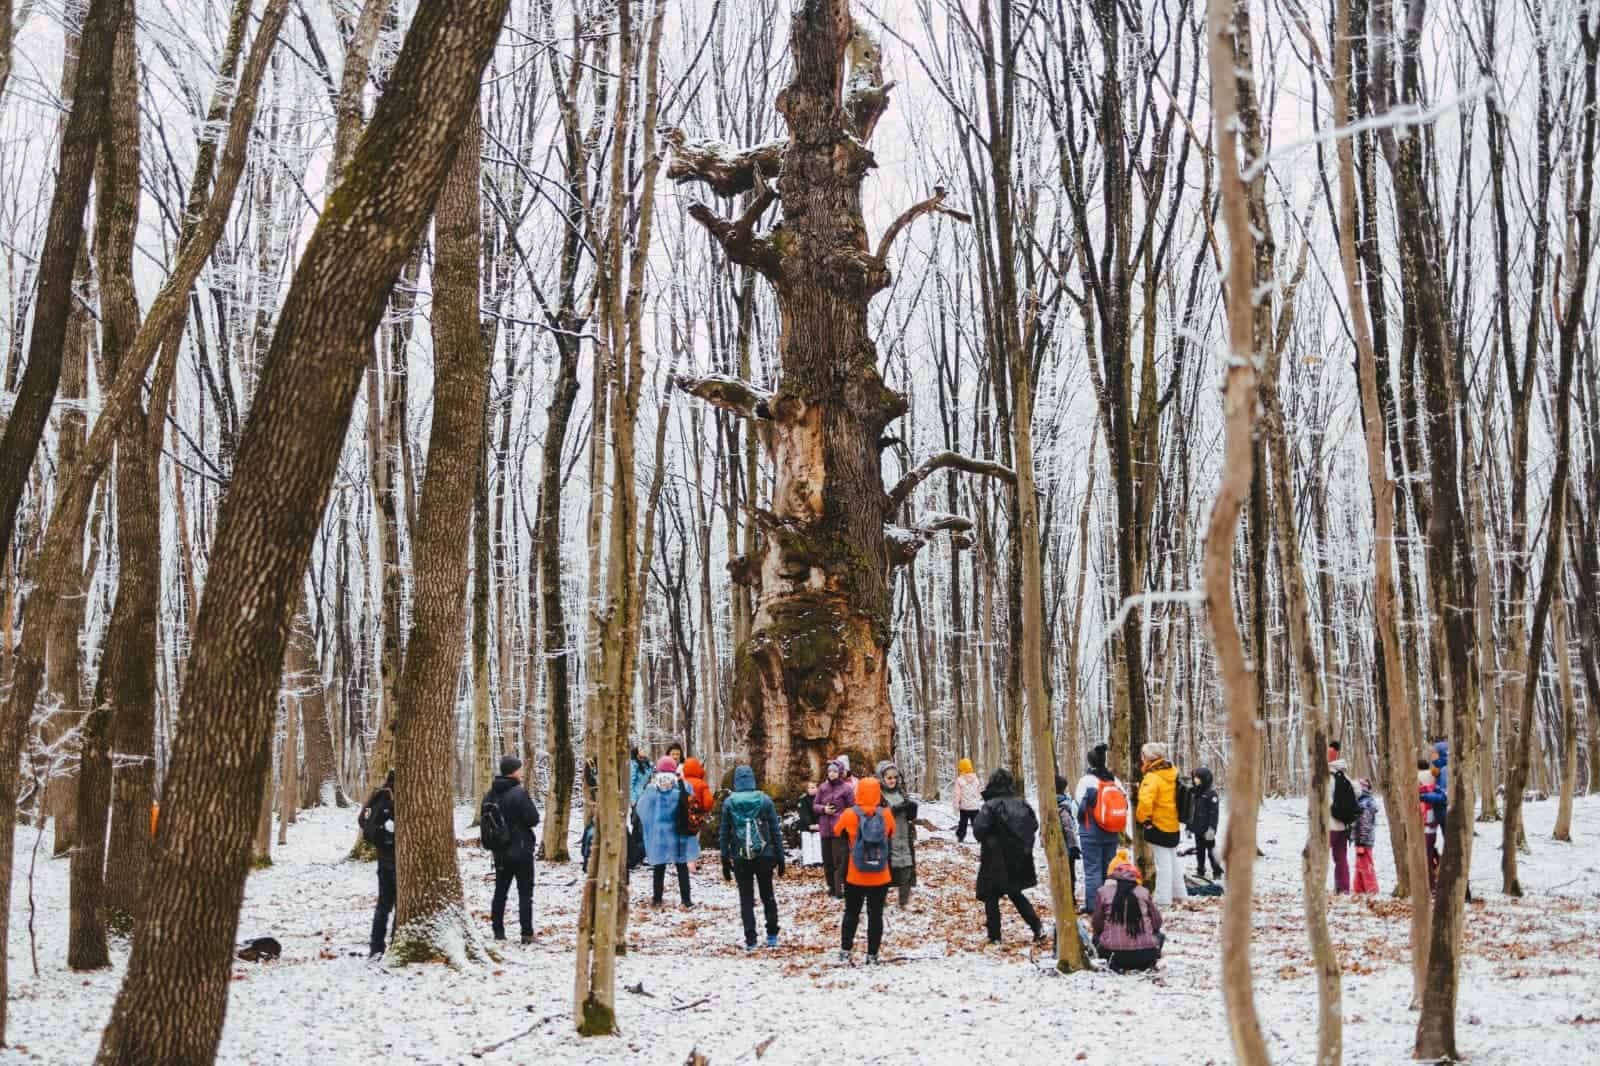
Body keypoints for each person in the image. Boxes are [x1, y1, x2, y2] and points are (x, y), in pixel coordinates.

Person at [974, 768, 1046, 945]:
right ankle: (1037, 926)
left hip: (994, 858)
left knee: (991, 896)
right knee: (1015, 893)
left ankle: (995, 936)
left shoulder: (990, 806)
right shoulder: (1021, 803)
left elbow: (978, 830)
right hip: (1017, 858)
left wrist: (992, 838)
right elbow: (1033, 825)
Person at [720, 764, 785, 950]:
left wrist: (725, 859)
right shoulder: (765, 800)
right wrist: (780, 858)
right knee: (768, 895)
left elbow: (724, 833)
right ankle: (772, 934)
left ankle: (751, 939)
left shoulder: (729, 802)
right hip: (765, 855)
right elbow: (775, 830)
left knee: (746, 899)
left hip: (741, 856)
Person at [832, 775, 896, 963]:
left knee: (851, 912)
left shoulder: (850, 814)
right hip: (880, 874)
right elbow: (892, 832)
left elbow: (836, 830)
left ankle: (845, 950)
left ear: (858, 792)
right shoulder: (886, 814)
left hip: (855, 874)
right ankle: (872, 955)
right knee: (875, 915)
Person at [483, 756, 541, 943]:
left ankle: (498, 931)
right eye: (520, 769)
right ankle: (526, 933)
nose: (522, 772)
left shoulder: (490, 794)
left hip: (499, 851)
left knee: (500, 892)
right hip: (521, 849)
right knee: (525, 893)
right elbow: (533, 818)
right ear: (514, 771)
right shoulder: (519, 793)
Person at [637, 756, 700, 907]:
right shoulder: (683, 786)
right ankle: (686, 900)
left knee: (659, 867)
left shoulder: (652, 788)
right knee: (681, 866)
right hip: (679, 834)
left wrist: (650, 825)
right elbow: (693, 806)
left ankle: (657, 899)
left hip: (659, 834)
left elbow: (641, 809)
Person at [1075, 743, 1127, 914]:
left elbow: (1078, 804)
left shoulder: (1086, 781)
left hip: (1091, 831)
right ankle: (1110, 904)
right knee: (1108, 869)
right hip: (1112, 830)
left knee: (1092, 870)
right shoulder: (1114, 781)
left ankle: (1094, 906)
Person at [1091, 852, 1165, 972]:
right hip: (1146, 956)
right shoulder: (1144, 892)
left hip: (1113, 957)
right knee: (1160, 935)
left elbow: (1097, 924)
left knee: (1096, 936)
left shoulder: (1103, 892)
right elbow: (1157, 923)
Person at [1135, 742, 1188, 908]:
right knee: (1173, 861)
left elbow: (1144, 803)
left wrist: (1144, 820)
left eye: (1143, 756)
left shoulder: (1152, 777)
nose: (1141, 759)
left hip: (1159, 825)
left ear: (1149, 758)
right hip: (1173, 824)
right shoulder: (1172, 772)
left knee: (1163, 864)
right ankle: (1180, 894)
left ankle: (1163, 899)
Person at [359, 769, 397, 957]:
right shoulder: (392, 800)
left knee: (383, 904)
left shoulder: (378, 796)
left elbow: (362, 821)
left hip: (383, 858)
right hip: (395, 859)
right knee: (400, 904)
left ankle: (376, 946)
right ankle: (396, 942)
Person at [876, 761, 919, 908]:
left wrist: (911, 810)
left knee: (906, 866)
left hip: (904, 835)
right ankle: (881, 900)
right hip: (887, 837)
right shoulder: (878, 794)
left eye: (895, 777)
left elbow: (909, 816)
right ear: (882, 778)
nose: (892, 780)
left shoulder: (901, 792)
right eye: (889, 777)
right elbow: (875, 814)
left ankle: (903, 902)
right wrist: (892, 810)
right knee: (886, 868)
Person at [815, 759, 856, 898]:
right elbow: (815, 805)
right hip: (825, 829)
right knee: (827, 861)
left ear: (839, 773)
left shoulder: (846, 789)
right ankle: (831, 887)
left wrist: (842, 816)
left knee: (840, 860)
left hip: (839, 830)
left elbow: (852, 808)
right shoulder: (822, 788)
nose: (832, 774)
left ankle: (839, 890)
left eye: (834, 771)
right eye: (830, 771)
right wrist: (824, 809)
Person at [1329, 754, 1359, 894]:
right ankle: (1344, 889)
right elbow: (1358, 792)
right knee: (1341, 858)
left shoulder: (1329, 778)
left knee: (1318, 854)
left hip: (1330, 824)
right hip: (1344, 825)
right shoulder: (1346, 777)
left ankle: (1314, 886)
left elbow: (1326, 799)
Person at [1186, 766, 1223, 879]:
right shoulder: (1194, 792)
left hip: (1207, 830)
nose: (1195, 779)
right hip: (1197, 828)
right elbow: (1191, 812)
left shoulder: (1211, 794)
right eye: (1194, 777)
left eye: (1197, 777)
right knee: (1199, 851)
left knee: (1212, 852)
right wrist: (1188, 827)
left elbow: (1214, 814)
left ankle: (1217, 872)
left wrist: (1212, 829)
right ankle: (1200, 870)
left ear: (1204, 778)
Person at [1054, 775, 1082, 908]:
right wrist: (1074, 846)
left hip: (1059, 848)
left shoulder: (1055, 805)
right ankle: (1069, 898)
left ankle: (1066, 899)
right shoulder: (1065, 805)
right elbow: (1069, 829)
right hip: (1067, 848)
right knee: (1070, 874)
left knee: (1062, 874)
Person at [1418, 760, 1445, 892]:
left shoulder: (1418, 784)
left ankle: (1430, 885)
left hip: (1424, 826)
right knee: (1430, 854)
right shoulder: (1435, 780)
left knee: (1425, 857)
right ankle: (1435, 880)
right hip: (1433, 826)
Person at [1353, 777, 1380, 894]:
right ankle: (1358, 889)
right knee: (1360, 865)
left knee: (1366, 865)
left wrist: (1361, 842)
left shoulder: (1365, 804)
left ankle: (1371, 890)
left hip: (1364, 841)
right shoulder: (1362, 802)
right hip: (1361, 839)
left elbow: (1365, 825)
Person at [952, 758, 983, 842]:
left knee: (963, 823)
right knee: (976, 824)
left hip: (964, 807)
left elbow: (957, 795)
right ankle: (980, 838)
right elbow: (979, 792)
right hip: (975, 807)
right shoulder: (976, 779)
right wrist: (976, 800)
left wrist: (956, 807)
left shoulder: (959, 780)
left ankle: (960, 837)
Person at [797, 783, 824, 867]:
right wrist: (809, 824)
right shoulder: (803, 799)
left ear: (817, 788)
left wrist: (818, 824)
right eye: (809, 788)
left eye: (813, 787)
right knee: (807, 843)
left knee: (817, 842)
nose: (811, 789)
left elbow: (821, 812)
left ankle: (818, 861)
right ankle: (807, 862)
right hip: (806, 825)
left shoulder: (821, 799)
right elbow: (803, 813)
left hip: (818, 825)